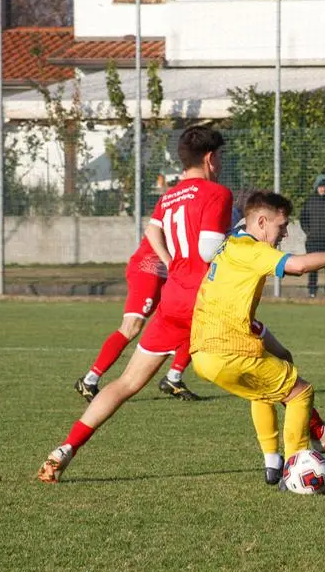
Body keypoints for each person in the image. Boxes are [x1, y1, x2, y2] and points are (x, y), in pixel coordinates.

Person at [38, 125, 234, 483]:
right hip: (202, 301)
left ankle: (65, 449)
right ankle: (314, 431)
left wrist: (172, 261)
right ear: (210, 158)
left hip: (173, 297)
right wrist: (240, 245)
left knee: (127, 382)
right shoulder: (217, 192)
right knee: (271, 359)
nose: (220, 162)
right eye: (220, 156)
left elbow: (154, 230)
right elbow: (209, 250)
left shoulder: (169, 196)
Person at [190, 191, 325, 487]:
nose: (285, 233)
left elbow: (245, 318)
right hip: (229, 349)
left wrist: (279, 348)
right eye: (282, 226)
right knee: (300, 392)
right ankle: (297, 466)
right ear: (262, 222)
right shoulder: (253, 251)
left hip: (202, 353)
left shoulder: (233, 243)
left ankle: (273, 463)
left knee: (263, 390)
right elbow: (298, 266)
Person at [73, 177, 201, 404]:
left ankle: (174, 377)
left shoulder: (199, 201)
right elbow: (152, 231)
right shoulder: (179, 201)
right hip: (149, 268)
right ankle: (90, 380)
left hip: (171, 274)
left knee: (194, 319)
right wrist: (170, 263)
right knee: (131, 327)